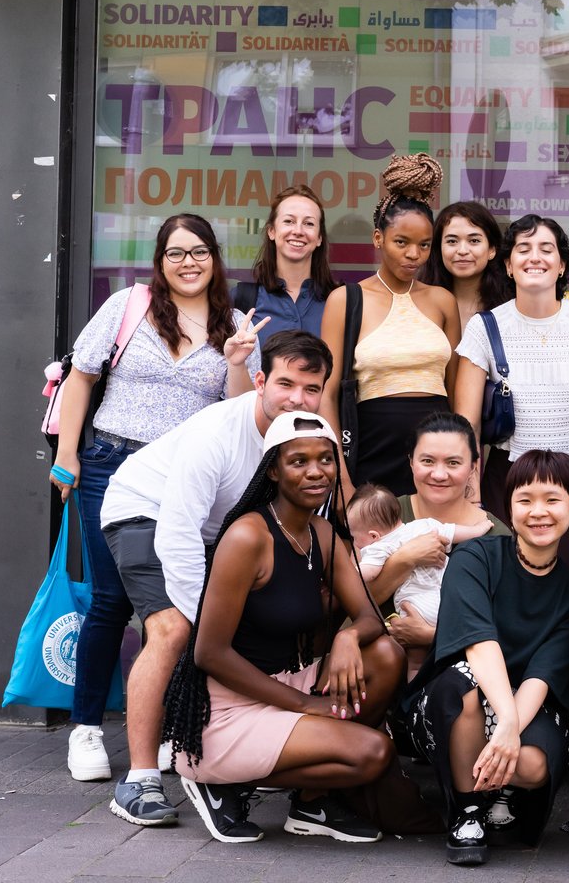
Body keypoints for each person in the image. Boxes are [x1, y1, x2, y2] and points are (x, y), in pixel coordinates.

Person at [52, 213, 262, 785]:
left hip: (182, 479)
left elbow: (239, 412)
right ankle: (87, 726)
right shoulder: (128, 307)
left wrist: (240, 363)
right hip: (109, 464)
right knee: (109, 601)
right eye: (175, 253)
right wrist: (68, 453)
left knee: (172, 602)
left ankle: (171, 728)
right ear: (160, 261)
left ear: (215, 258)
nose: (188, 262)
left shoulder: (237, 326)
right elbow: (81, 377)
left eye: (198, 252)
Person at [99, 331, 331, 826]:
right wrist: (204, 619)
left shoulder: (310, 439)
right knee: (174, 628)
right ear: (260, 380)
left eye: (310, 389)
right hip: (147, 509)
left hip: (219, 532)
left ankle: (217, 748)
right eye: (286, 383)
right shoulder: (218, 433)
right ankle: (139, 779)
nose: (297, 398)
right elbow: (178, 531)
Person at [163, 413, 404, 844]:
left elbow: (369, 617)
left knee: (387, 655)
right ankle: (219, 782)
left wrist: (348, 636)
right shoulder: (247, 537)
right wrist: (303, 705)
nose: (316, 471)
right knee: (374, 753)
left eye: (326, 459)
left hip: (292, 681)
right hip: (231, 708)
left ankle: (312, 802)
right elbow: (209, 653)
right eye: (298, 461)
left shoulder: (323, 533)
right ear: (273, 469)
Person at [405, 450, 569, 866]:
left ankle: (489, 776)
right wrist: (504, 723)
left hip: (528, 701)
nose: (538, 512)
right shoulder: (477, 557)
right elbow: (478, 642)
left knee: (535, 766)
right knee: (465, 682)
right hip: (458, 699)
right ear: (510, 508)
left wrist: (509, 728)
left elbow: (545, 670)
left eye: (552, 499)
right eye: (525, 500)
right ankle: (467, 811)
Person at [456, 214, 569, 564]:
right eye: (523, 249)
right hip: (508, 479)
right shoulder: (484, 328)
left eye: (546, 249)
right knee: (511, 579)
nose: (535, 257)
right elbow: (467, 425)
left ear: (562, 266)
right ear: (509, 265)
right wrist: (470, 495)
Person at [320, 152, 460, 497]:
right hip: (371, 454)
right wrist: (341, 478)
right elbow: (328, 393)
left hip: (437, 459)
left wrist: (465, 465)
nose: (414, 254)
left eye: (424, 245)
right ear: (378, 239)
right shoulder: (346, 299)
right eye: (402, 242)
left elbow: (457, 393)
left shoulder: (443, 300)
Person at [360, 413, 510, 670]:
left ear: (474, 466)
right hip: (382, 667)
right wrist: (406, 559)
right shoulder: (383, 516)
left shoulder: (496, 536)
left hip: (466, 676)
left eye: (453, 463)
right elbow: (358, 604)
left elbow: (506, 630)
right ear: (411, 462)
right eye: (427, 461)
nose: (439, 474)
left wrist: (432, 636)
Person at [233, 185, 337, 344]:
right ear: (271, 231)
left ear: (319, 238)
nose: (298, 231)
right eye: (289, 221)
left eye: (309, 223)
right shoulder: (240, 299)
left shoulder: (339, 301)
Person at [420, 199, 512, 334]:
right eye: (452, 241)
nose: (462, 250)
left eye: (474, 241)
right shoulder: (418, 304)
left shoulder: (511, 307)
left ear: (491, 250)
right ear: (439, 248)